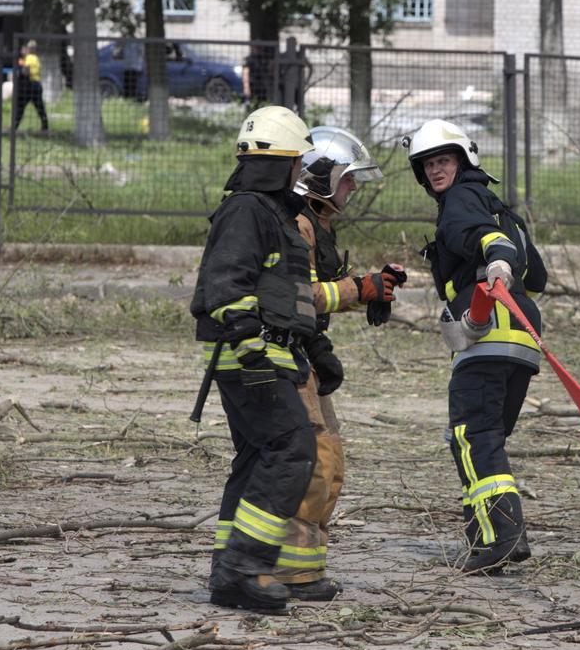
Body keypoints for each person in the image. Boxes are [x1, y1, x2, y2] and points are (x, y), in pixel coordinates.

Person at [404, 119, 548, 573]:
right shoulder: (498, 204)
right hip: (522, 340)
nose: (434, 171)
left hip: (487, 334)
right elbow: (538, 276)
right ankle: (490, 532)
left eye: (442, 160)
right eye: (427, 165)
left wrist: (496, 261)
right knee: (485, 441)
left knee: (471, 436)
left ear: (463, 160)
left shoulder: (462, 201)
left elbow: (486, 240)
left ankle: (500, 538)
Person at [190, 105, 318, 612]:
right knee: (292, 448)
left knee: (256, 457)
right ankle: (247, 565)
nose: (301, 174)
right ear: (281, 164)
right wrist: (252, 353)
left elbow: (283, 295)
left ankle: (229, 571)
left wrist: (315, 350)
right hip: (250, 358)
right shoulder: (247, 211)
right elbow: (226, 284)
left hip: (266, 354)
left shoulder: (269, 212)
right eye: (297, 164)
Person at [271, 126, 404, 601]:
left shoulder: (320, 224)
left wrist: (372, 285)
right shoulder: (300, 224)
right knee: (314, 460)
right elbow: (301, 295)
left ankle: (306, 569)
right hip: (286, 353)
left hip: (307, 351)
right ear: (319, 178)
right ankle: (291, 571)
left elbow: (322, 289)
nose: (353, 188)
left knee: (332, 461)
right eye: (348, 179)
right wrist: (357, 289)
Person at [12, 39, 49, 132]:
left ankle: (14, 127)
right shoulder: (36, 58)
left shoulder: (29, 58)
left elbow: (26, 70)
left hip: (29, 85)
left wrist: (20, 74)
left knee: (20, 107)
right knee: (40, 107)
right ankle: (45, 126)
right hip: (37, 85)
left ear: (28, 49)